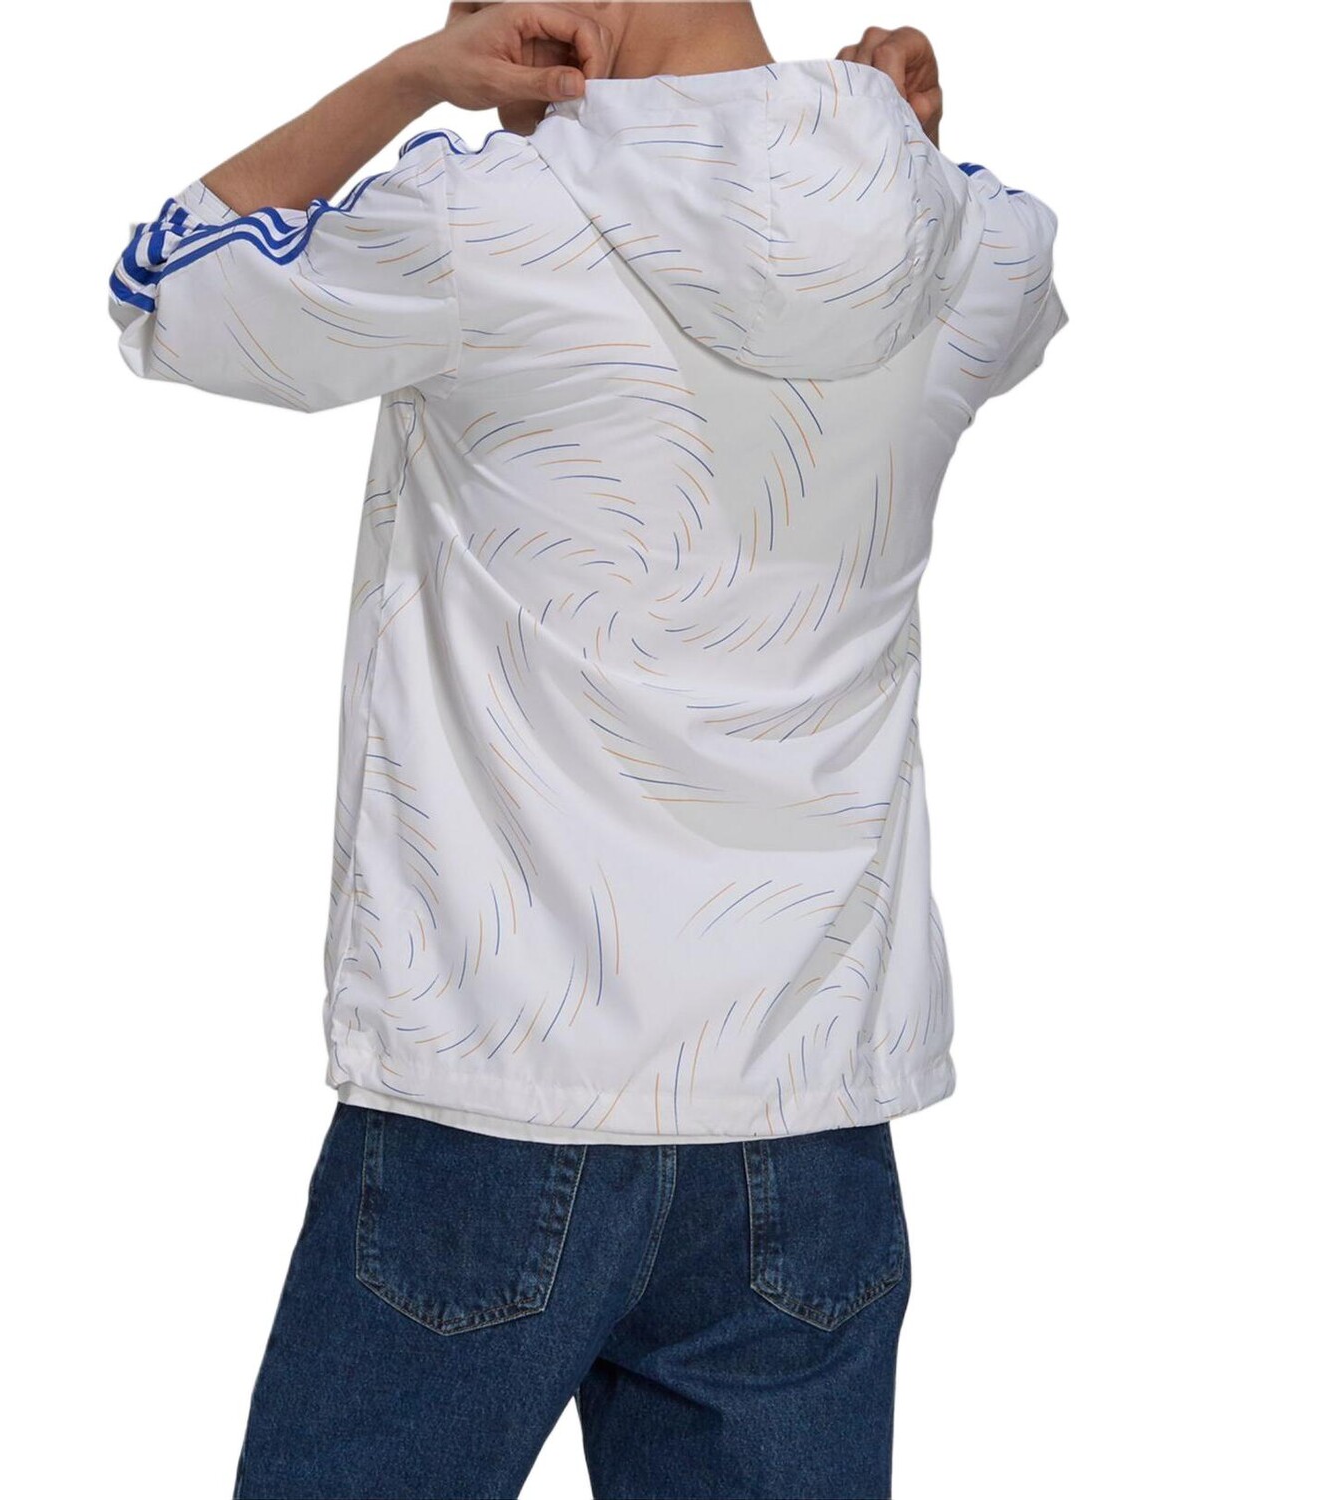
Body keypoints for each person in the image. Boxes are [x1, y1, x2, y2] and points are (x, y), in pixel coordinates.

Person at [106, 3, 1068, 1495]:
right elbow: (1005, 265)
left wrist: (407, 82)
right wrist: (889, 139)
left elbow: (165, 285)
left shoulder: (490, 221)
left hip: (498, 1098)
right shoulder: (961, 236)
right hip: (808, 1119)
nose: (465, 32)